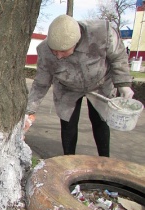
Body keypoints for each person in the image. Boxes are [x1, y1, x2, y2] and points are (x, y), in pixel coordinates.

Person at [24, 15, 134, 157]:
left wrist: (123, 84)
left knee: (100, 121)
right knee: (68, 123)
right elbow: (41, 83)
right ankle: (69, 159)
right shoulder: (44, 50)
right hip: (67, 87)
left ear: (76, 43)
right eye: (54, 51)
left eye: (63, 51)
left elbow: (118, 58)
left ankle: (104, 160)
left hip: (99, 84)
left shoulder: (102, 33)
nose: (58, 56)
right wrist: (29, 111)